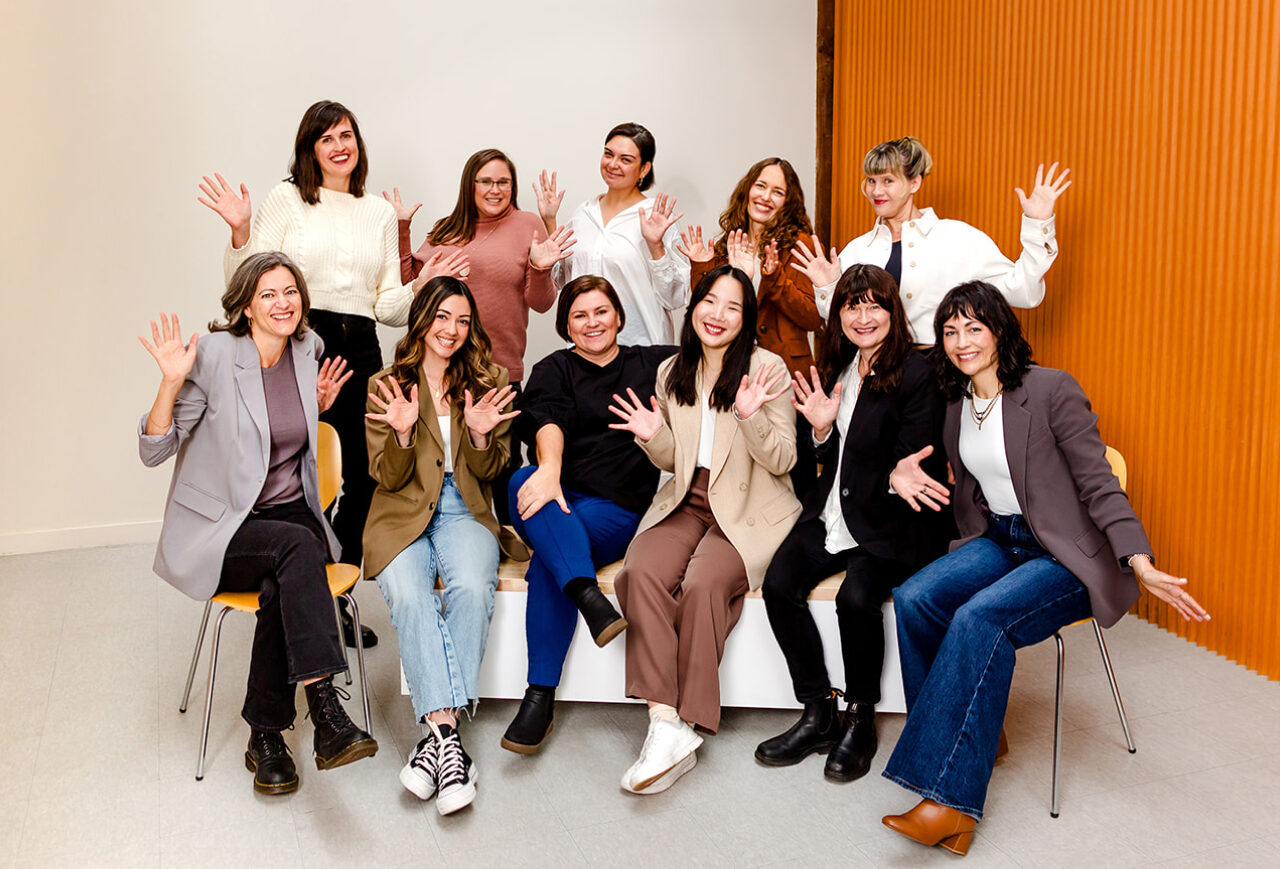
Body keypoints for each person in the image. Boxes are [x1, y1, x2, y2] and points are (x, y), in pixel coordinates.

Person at [878, 281, 1210, 856]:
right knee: (914, 598)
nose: (961, 341)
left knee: (979, 619)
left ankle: (949, 803)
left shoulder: (1051, 389)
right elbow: (956, 476)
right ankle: (975, 740)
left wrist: (1139, 561)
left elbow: (1099, 483)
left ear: (1000, 330)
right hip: (1001, 539)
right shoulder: (957, 403)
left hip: (1066, 555)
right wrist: (895, 473)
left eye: (974, 327)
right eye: (950, 331)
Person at [198, 100, 436, 648]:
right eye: (326, 138)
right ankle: (301, 589)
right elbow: (246, 282)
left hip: (361, 347)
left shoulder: (378, 211)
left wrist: (420, 286)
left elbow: (387, 307)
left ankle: (330, 594)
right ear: (309, 149)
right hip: (301, 340)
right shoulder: (287, 199)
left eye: (346, 135)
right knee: (302, 473)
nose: (338, 146)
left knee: (366, 477)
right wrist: (240, 231)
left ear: (358, 144)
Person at [138, 252, 377, 795]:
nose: (282, 303)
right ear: (246, 306)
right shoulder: (215, 355)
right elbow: (155, 451)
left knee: (282, 581)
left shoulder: (309, 349)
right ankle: (325, 711)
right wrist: (170, 384)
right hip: (225, 526)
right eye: (268, 294)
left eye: (290, 291)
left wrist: (315, 408)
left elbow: (283, 434)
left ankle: (265, 735)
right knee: (296, 550)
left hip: (289, 517)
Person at [608, 265, 801, 794]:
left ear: (747, 318)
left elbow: (783, 459)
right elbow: (675, 459)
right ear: (693, 308)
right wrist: (653, 436)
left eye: (733, 307)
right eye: (709, 302)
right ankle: (665, 721)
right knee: (639, 572)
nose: (717, 315)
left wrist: (750, 416)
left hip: (748, 507)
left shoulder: (767, 368)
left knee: (702, 584)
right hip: (687, 501)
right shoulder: (673, 370)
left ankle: (687, 722)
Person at [756, 265, 948, 783]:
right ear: (838, 313)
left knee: (856, 599)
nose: (863, 317)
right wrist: (821, 434)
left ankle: (860, 718)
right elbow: (827, 450)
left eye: (874, 305)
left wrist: (893, 474)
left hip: (892, 518)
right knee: (779, 585)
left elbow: (916, 455)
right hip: (834, 510)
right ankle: (818, 710)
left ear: (893, 312)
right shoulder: (838, 366)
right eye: (851, 305)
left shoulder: (917, 372)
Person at [362, 277, 523, 815]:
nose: (451, 330)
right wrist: (403, 434)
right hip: (400, 509)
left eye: (462, 320)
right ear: (422, 319)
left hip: (464, 506)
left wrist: (479, 435)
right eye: (442, 317)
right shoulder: (386, 384)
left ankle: (435, 741)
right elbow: (386, 475)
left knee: (473, 589)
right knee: (410, 597)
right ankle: (450, 742)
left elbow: (494, 468)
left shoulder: (489, 379)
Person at [501, 276, 676, 754]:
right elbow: (547, 421)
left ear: (618, 316)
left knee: (547, 563)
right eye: (579, 315)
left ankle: (539, 696)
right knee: (522, 480)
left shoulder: (653, 363)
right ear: (566, 325)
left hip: (615, 509)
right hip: (557, 495)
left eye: (601, 312)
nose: (592, 323)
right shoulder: (553, 368)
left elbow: (717, 346)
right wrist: (550, 470)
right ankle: (587, 595)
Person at [387, 148, 576, 523]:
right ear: (469, 185)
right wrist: (403, 229)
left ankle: (512, 544)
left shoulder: (527, 224)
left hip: (498, 370)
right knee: (446, 467)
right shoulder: (446, 228)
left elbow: (541, 303)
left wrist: (540, 268)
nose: (495, 189)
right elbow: (410, 286)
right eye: (486, 181)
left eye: (503, 182)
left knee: (502, 468)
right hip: (442, 371)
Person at [791, 137, 1072, 345]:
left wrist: (1037, 226)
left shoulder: (959, 238)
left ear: (914, 183)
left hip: (937, 380)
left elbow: (1023, 292)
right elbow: (840, 322)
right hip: (871, 379)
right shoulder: (857, 249)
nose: (876, 191)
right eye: (871, 181)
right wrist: (827, 287)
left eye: (888, 181)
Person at [533, 122, 689, 345]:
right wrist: (550, 222)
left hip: (641, 349)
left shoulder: (656, 217)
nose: (613, 164)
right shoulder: (584, 214)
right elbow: (562, 281)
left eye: (626, 159)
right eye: (608, 154)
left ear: (644, 169)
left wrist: (656, 246)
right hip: (585, 349)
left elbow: (675, 297)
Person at [678, 157, 822, 375]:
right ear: (747, 189)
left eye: (777, 192)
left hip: (781, 368)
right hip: (728, 364)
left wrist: (774, 278)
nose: (765, 197)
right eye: (761, 186)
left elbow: (811, 318)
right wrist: (700, 267)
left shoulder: (801, 245)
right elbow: (704, 309)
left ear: (788, 202)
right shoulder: (728, 242)